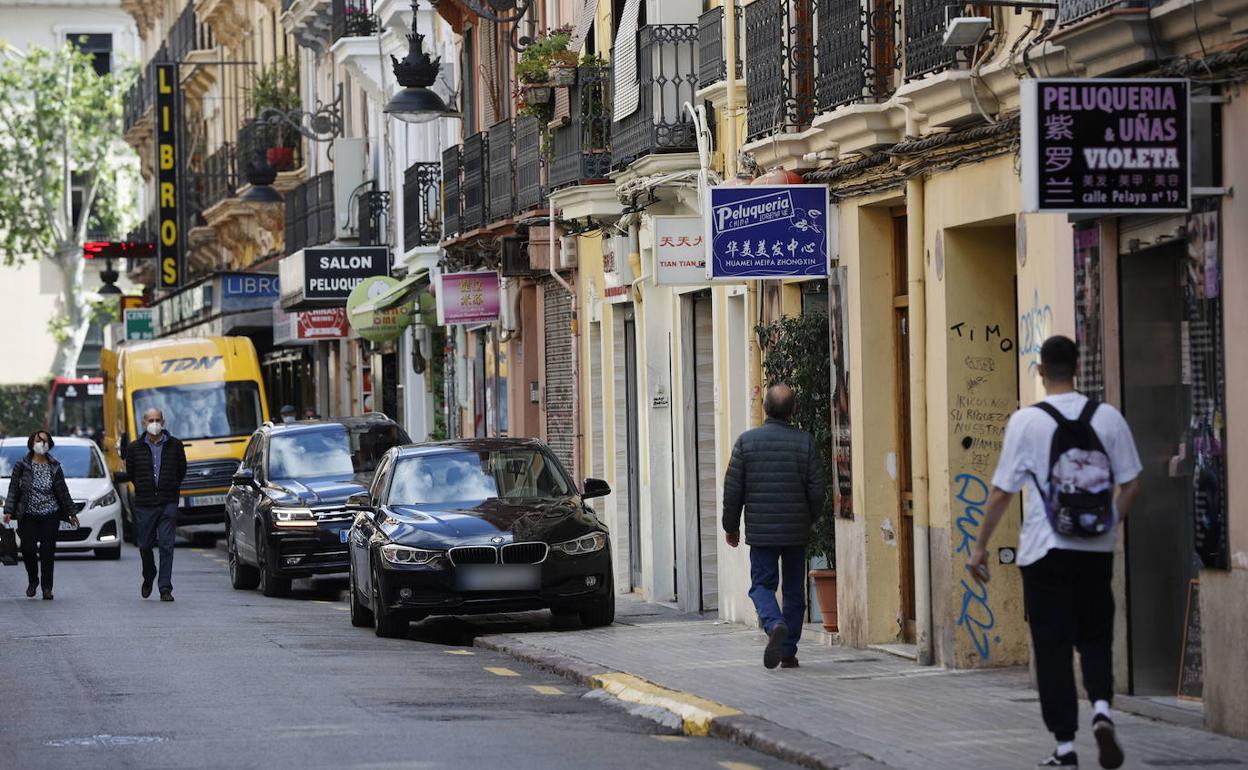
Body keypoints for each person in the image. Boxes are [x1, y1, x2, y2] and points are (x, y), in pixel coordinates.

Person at [970, 336, 1141, 770]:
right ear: (1078, 367)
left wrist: (980, 546)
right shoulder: (1108, 418)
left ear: (1041, 371)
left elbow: (1001, 493)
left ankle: (1065, 747)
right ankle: (1102, 710)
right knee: (1096, 636)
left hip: (1045, 551)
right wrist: (1106, 524)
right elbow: (1133, 483)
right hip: (1095, 551)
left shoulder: (1027, 422)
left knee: (1052, 647)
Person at [722, 383, 826, 669]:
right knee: (794, 591)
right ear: (793, 410)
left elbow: (732, 491)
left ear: (765, 408)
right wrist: (811, 519)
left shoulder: (746, 442)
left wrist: (730, 527)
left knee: (761, 586)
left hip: (762, 533)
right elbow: (818, 490)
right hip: (796, 532)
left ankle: (773, 622)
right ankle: (788, 651)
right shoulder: (805, 442)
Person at [2, 431, 79, 600]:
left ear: (49, 444)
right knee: (28, 550)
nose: (41, 443)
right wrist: (8, 510)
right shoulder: (22, 465)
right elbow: (13, 488)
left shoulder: (55, 466)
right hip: (28, 515)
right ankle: (33, 580)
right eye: (38, 440)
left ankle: (47, 587)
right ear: (32, 443)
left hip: (50, 514)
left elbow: (63, 491)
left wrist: (72, 513)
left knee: (47, 552)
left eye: (45, 441)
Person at [125, 408, 187, 602]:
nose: (154, 423)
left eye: (157, 419)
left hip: (168, 502)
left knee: (167, 546)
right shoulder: (134, 448)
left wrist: (170, 487)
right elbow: (131, 473)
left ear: (163, 422)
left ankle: (165, 588)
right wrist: (145, 488)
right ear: (144, 423)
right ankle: (149, 573)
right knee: (144, 545)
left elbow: (181, 470)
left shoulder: (175, 445)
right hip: (145, 503)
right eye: (150, 420)